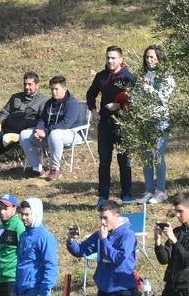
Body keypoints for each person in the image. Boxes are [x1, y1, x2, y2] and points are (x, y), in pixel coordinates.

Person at [66, 200, 139, 296]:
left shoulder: (127, 235)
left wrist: (105, 241)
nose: (103, 222)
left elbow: (118, 258)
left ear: (117, 215)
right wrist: (71, 240)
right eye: (101, 218)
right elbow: (81, 251)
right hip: (104, 292)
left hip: (123, 292)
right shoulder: (100, 234)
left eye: (106, 218)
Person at [85, 45, 137, 209]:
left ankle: (126, 194)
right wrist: (93, 110)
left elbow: (136, 98)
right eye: (108, 58)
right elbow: (90, 93)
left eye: (113, 58)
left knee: (124, 161)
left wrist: (119, 105)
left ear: (121, 59)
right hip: (105, 124)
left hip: (124, 124)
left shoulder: (128, 77)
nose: (110, 61)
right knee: (104, 161)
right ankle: (103, 195)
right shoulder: (102, 76)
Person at [21, 75, 87, 180]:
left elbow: (66, 124)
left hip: (72, 133)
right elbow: (42, 120)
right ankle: (37, 169)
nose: (53, 92)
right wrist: (38, 130)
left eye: (56, 89)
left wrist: (45, 132)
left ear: (65, 89)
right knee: (24, 135)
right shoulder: (49, 103)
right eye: (52, 89)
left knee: (55, 134)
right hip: (50, 134)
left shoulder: (71, 103)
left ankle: (55, 169)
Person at [14, 197, 58, 296]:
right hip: (24, 289)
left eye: (27, 214)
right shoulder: (25, 236)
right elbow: (21, 263)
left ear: (36, 213)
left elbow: (51, 266)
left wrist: (44, 291)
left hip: (36, 290)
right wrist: (15, 288)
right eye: (22, 214)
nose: (23, 218)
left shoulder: (44, 237)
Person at [0, 72, 47, 175]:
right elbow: (5, 112)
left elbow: (43, 119)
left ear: (37, 85)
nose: (26, 87)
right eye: (25, 84)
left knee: (18, 130)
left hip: (25, 129)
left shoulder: (43, 100)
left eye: (30, 84)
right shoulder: (16, 97)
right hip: (8, 126)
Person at [138, 45, 174, 204]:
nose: (149, 60)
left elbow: (163, 98)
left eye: (152, 57)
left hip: (160, 120)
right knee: (146, 156)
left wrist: (147, 87)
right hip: (145, 120)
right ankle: (148, 190)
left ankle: (161, 191)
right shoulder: (145, 75)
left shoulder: (167, 77)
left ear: (160, 58)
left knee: (158, 155)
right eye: (147, 57)